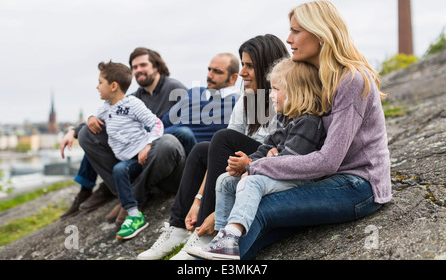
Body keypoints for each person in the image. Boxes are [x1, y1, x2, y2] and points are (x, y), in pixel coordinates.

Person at [233, 0, 391, 260]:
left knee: (259, 209)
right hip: (324, 180)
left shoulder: (351, 79)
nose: (288, 39)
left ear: (320, 34)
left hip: (358, 184)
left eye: (296, 31)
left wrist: (254, 165)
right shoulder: (317, 78)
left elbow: (328, 161)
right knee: (248, 218)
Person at [137, 34, 290, 260]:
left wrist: (215, 212)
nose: (244, 72)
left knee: (222, 138)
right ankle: (178, 228)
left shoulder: (283, 97)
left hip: (265, 166)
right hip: (244, 162)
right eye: (243, 64)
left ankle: (208, 234)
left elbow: (280, 149)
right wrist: (198, 201)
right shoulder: (247, 98)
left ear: (269, 67)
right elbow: (218, 152)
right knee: (202, 150)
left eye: (250, 66)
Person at [186, 58, 326, 260]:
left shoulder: (309, 121)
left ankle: (231, 237)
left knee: (252, 182)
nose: (270, 95)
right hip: (279, 173)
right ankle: (219, 237)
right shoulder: (284, 118)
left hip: (300, 180)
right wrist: (245, 164)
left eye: (276, 89)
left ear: (297, 92)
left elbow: (291, 162)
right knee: (224, 180)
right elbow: (267, 146)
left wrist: (251, 166)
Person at [60, 48, 187, 220]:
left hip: (164, 152)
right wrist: (74, 130)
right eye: (134, 67)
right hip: (136, 154)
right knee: (88, 133)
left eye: (143, 65)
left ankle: (131, 197)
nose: (138, 70)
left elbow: (184, 126)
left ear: (156, 66)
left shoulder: (175, 89)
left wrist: (150, 141)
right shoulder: (134, 97)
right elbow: (108, 114)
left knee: (171, 138)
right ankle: (113, 193)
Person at [91, 60, 163, 239]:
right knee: (119, 169)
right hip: (123, 158)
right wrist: (91, 118)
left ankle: (134, 216)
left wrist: (148, 145)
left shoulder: (132, 104)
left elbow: (156, 124)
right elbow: (95, 117)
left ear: (113, 86)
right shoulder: (106, 107)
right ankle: (128, 207)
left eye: (101, 82)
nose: (97, 87)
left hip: (140, 158)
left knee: (120, 170)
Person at [162, 53, 240, 155]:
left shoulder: (238, 103)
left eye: (217, 72)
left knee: (184, 133)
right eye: (209, 70)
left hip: (193, 156)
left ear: (233, 78)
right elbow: (164, 122)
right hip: (164, 144)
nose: (209, 75)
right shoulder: (193, 92)